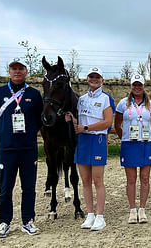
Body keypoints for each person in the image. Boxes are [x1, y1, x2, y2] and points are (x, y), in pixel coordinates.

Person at [0, 58, 43, 238]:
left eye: (21, 69)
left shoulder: (34, 94)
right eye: (14, 68)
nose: (17, 72)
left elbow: (39, 120)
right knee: (5, 188)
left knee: (28, 187)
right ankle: (4, 221)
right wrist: (4, 136)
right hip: (7, 150)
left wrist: (28, 135)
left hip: (28, 149)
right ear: (9, 71)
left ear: (26, 71)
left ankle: (28, 221)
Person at [65, 67, 113, 231]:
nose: (94, 79)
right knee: (85, 181)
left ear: (102, 80)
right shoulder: (82, 99)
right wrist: (72, 119)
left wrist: (86, 127)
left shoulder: (106, 99)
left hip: (97, 139)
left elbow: (107, 122)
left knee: (98, 180)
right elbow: (80, 121)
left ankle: (100, 216)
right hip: (83, 141)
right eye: (91, 77)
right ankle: (90, 214)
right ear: (87, 79)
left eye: (97, 77)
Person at [114, 74, 151, 224]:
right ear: (131, 86)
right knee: (131, 179)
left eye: (140, 85)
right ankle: (132, 209)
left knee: (145, 178)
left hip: (145, 143)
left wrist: (145, 136)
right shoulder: (122, 104)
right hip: (129, 144)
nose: (137, 87)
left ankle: (142, 209)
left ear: (144, 86)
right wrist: (124, 137)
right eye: (134, 85)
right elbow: (117, 124)